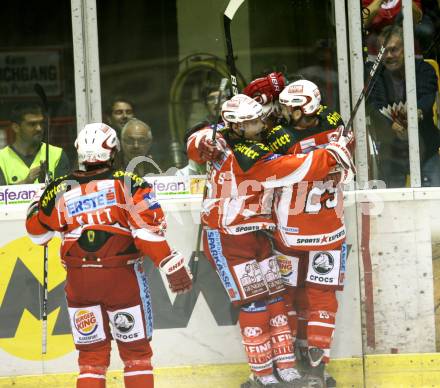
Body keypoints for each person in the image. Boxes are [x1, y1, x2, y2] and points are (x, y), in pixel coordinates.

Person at [187, 94, 353, 387]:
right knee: (254, 306)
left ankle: (286, 367)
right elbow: (294, 168)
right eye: (252, 122)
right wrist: (332, 153)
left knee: (276, 300)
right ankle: (262, 374)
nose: (261, 124)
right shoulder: (243, 157)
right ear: (236, 126)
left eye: (258, 117)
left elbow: (207, 138)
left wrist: (204, 140)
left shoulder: (231, 140)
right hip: (227, 239)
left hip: (257, 236)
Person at [25, 122, 192, 388]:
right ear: (113, 151)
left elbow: (37, 234)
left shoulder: (60, 188)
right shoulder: (129, 182)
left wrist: (36, 206)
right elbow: (148, 233)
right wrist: (170, 263)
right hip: (121, 280)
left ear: (80, 151)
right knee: (136, 355)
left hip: (79, 284)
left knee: (91, 359)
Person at [264, 79, 355, 387]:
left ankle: (288, 364)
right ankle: (316, 369)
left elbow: (268, 169)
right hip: (330, 231)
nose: (284, 111)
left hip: (290, 233)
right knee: (322, 298)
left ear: (303, 109)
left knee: (287, 295)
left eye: (290, 107)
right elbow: (343, 157)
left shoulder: (281, 139)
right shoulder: (336, 127)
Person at [367, 25, 440, 187]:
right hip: (391, 153)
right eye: (384, 51)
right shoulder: (375, 75)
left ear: (407, 50)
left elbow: (427, 96)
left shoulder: (424, 69)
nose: (389, 56)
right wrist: (390, 124)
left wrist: (415, 114)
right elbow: (375, 105)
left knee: (435, 202)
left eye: (394, 50)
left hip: (426, 148)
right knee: (391, 206)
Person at [0, 103, 70, 185]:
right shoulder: (1, 159)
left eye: (41, 123)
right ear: (16, 127)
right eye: (32, 124)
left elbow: (64, 194)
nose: (39, 128)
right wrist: (26, 182)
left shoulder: (57, 154)